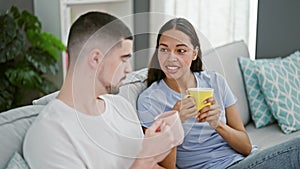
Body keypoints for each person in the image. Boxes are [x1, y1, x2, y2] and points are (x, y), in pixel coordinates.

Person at [23, 12, 182, 169]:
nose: (129, 69)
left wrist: (163, 145)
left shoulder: (121, 107)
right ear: (95, 59)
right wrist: (145, 158)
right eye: (124, 59)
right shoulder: (50, 134)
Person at [137, 17, 300, 169]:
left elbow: (246, 147)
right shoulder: (150, 100)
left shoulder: (215, 81)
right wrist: (174, 122)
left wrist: (218, 124)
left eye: (180, 51)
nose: (171, 58)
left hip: (246, 160)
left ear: (194, 53)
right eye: (164, 50)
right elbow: (166, 166)